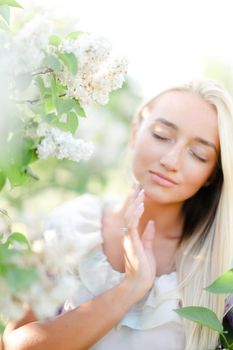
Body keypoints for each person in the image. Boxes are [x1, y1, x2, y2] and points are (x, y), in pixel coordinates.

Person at [2, 79, 233, 350]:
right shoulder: (73, 227)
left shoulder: (221, 267)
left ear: (212, 175)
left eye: (198, 154)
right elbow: (14, 344)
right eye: (161, 135)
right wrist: (129, 290)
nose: (171, 161)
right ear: (136, 131)